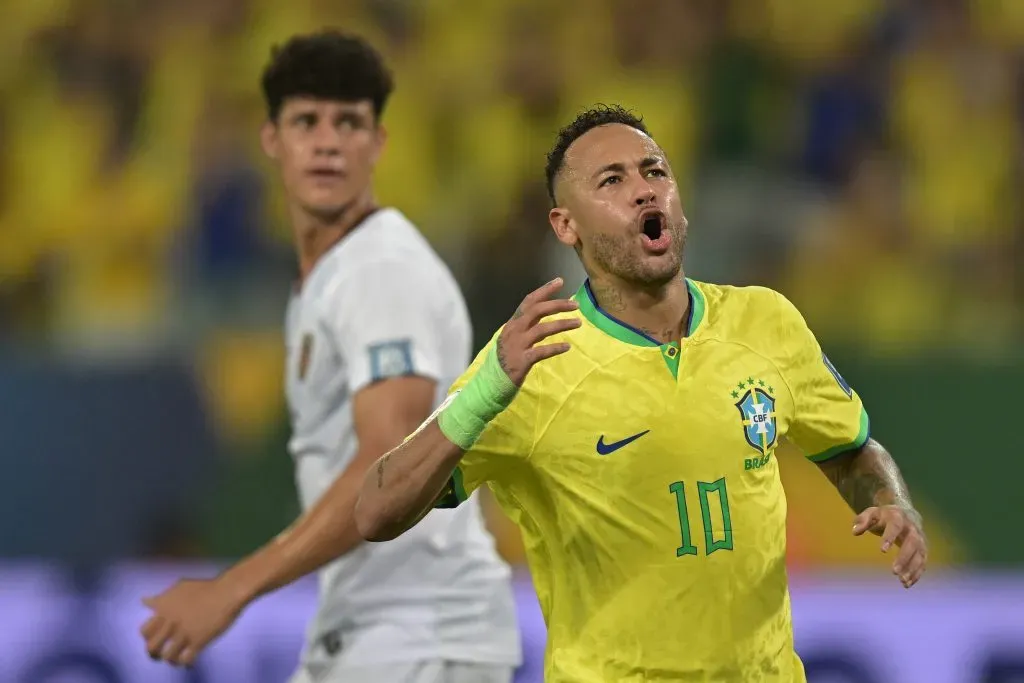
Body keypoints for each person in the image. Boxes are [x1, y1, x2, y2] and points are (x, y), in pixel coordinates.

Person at [353, 105, 929, 682]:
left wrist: (890, 500)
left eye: (655, 171)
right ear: (566, 226)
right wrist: (483, 394)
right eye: (612, 180)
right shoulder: (534, 364)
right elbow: (376, 511)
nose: (644, 190)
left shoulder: (765, 321)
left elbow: (851, 450)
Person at [139, 31, 521, 683]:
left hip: (420, 637)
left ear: (379, 143)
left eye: (348, 122)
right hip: (377, 632)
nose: (326, 142)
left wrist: (232, 587)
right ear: (271, 139)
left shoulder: (380, 272)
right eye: (306, 121)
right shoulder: (327, 280)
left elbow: (386, 458)